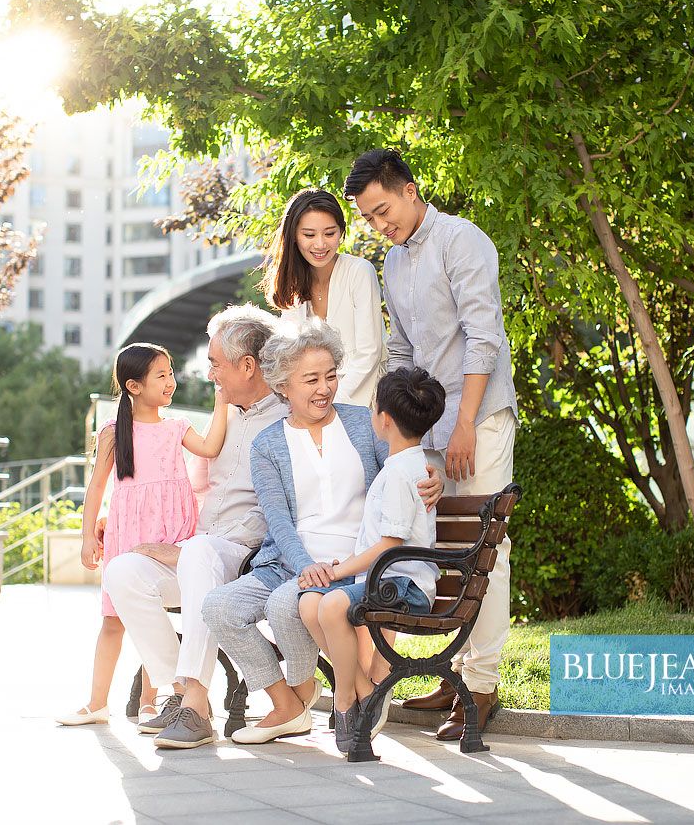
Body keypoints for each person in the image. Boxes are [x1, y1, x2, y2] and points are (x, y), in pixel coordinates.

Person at [344, 148, 518, 740]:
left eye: (382, 210)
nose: (379, 225)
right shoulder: (393, 262)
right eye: (369, 218)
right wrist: (399, 432)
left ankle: (484, 684)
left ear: (411, 190)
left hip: (480, 418)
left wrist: (465, 421)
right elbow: (402, 353)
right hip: (429, 428)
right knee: (440, 548)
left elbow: (483, 337)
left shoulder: (463, 241)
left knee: (484, 543)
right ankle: (456, 673)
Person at [201, 320, 442, 745]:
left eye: (330, 376)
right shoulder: (267, 444)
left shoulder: (363, 423)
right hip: (291, 563)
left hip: (356, 562)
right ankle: (290, 703)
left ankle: (326, 691)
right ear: (283, 385)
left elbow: (409, 460)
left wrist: (434, 477)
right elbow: (277, 520)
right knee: (219, 607)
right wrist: (306, 566)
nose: (324, 388)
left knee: (285, 604)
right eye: (311, 379)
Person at [99, 305, 285, 750]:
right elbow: (187, 488)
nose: (210, 375)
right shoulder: (225, 417)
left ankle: (197, 704)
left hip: (247, 557)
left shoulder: (285, 416)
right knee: (122, 571)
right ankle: (180, 693)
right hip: (201, 550)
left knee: (199, 553)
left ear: (247, 365)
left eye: (216, 365)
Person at [55, 343, 228, 727]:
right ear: (134, 386)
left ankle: (154, 700)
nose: (171, 382)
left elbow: (211, 446)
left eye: (170, 373)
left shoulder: (177, 428)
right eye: (161, 375)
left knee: (158, 614)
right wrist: (87, 536)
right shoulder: (114, 433)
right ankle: (97, 702)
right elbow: (96, 488)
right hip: (126, 533)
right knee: (113, 621)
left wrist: (222, 402)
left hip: (169, 534)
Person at [299, 367, 446, 753]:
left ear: (383, 419)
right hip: (388, 579)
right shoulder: (404, 466)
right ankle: (366, 690)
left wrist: (339, 570)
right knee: (311, 603)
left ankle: (346, 701)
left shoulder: (402, 472)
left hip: (403, 584)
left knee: (330, 603)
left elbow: (390, 545)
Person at [261, 188, 387, 408]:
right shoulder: (293, 285)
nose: (320, 244)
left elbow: (370, 354)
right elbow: (289, 358)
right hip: (312, 404)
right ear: (293, 236)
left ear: (341, 232)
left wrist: (331, 405)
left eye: (329, 233)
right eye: (309, 235)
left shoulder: (359, 271)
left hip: (365, 401)